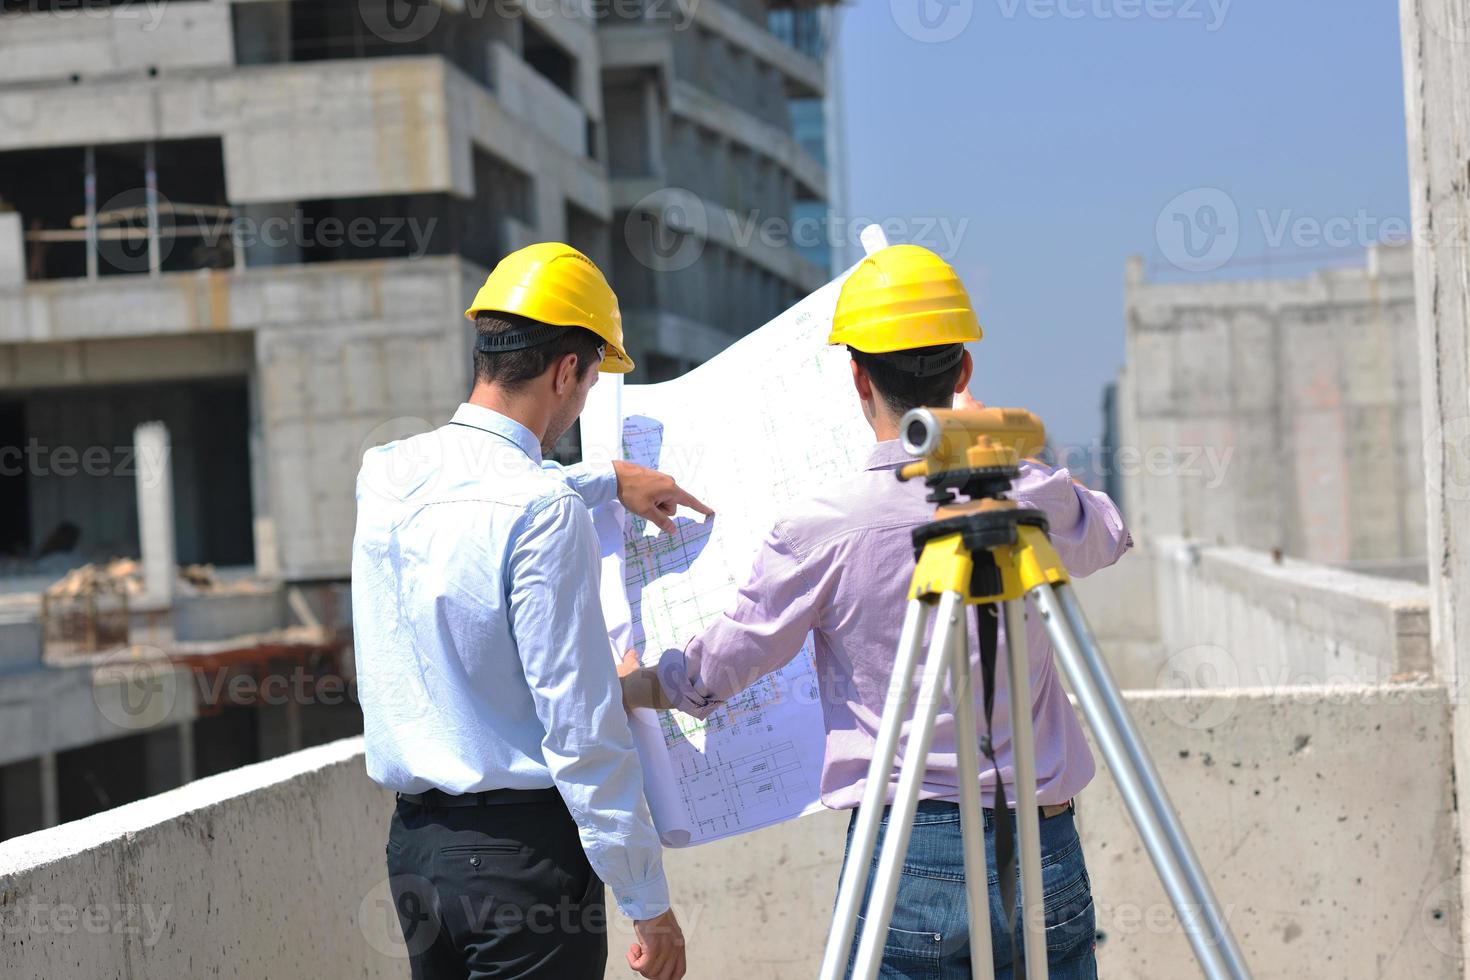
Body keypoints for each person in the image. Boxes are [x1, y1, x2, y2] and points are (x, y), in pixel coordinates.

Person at [621, 244, 1130, 979]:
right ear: (963, 371)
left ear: (857, 376)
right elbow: (1109, 533)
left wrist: (647, 683)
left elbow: (727, 659)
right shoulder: (1022, 493)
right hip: (1040, 844)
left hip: (905, 855)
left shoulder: (825, 524)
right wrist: (1022, 464)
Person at [354, 243, 709, 980]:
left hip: (416, 853)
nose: (579, 406)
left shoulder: (385, 473)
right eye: (586, 387)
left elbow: (475, 506)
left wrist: (606, 480)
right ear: (565, 371)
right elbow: (582, 731)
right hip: (521, 867)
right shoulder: (541, 510)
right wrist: (646, 899)